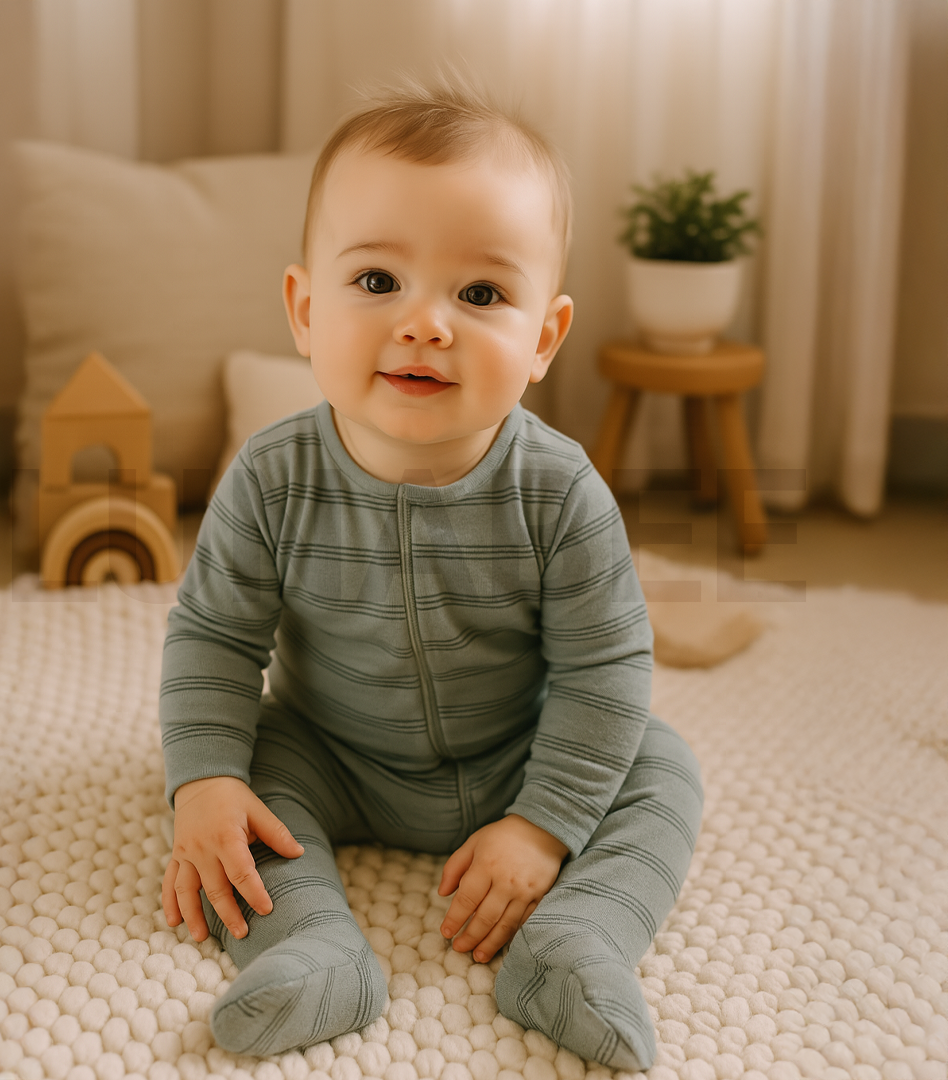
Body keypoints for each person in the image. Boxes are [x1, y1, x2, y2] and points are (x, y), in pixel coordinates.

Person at [158, 80, 703, 1072]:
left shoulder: (561, 491)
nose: (426, 324)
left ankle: (577, 943)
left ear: (543, 337)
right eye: (376, 283)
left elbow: (602, 668)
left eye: (481, 294)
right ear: (304, 308)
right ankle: (315, 947)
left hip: (518, 752)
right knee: (244, 778)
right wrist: (204, 782)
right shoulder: (272, 475)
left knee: (661, 767)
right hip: (337, 751)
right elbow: (215, 639)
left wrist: (543, 826)